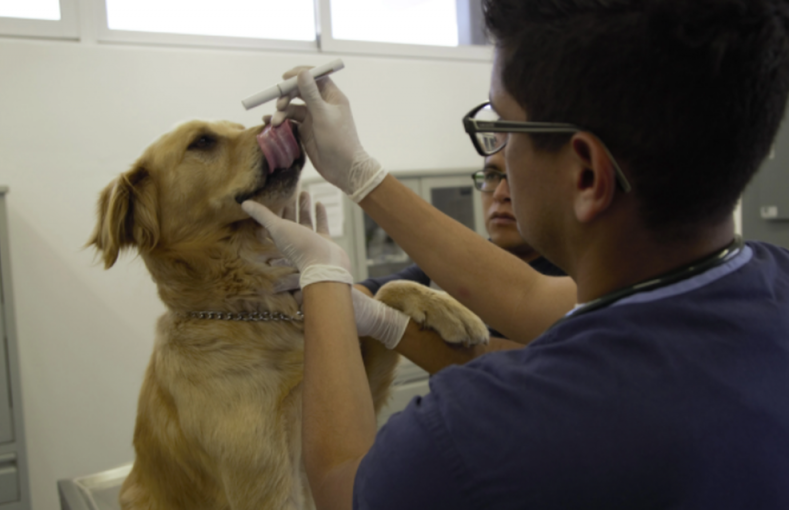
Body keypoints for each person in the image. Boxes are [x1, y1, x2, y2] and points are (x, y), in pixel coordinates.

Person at [243, 1, 789, 508]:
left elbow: (343, 481)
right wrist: (357, 171)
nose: (497, 155)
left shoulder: (486, 432)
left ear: (586, 174)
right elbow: (531, 296)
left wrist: (321, 276)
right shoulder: (773, 282)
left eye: (501, 127)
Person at [355, 150, 566, 349]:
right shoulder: (453, 264)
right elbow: (352, 300)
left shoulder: (573, 283)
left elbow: (537, 367)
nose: (500, 193)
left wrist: (391, 328)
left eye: (519, 176)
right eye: (492, 175)